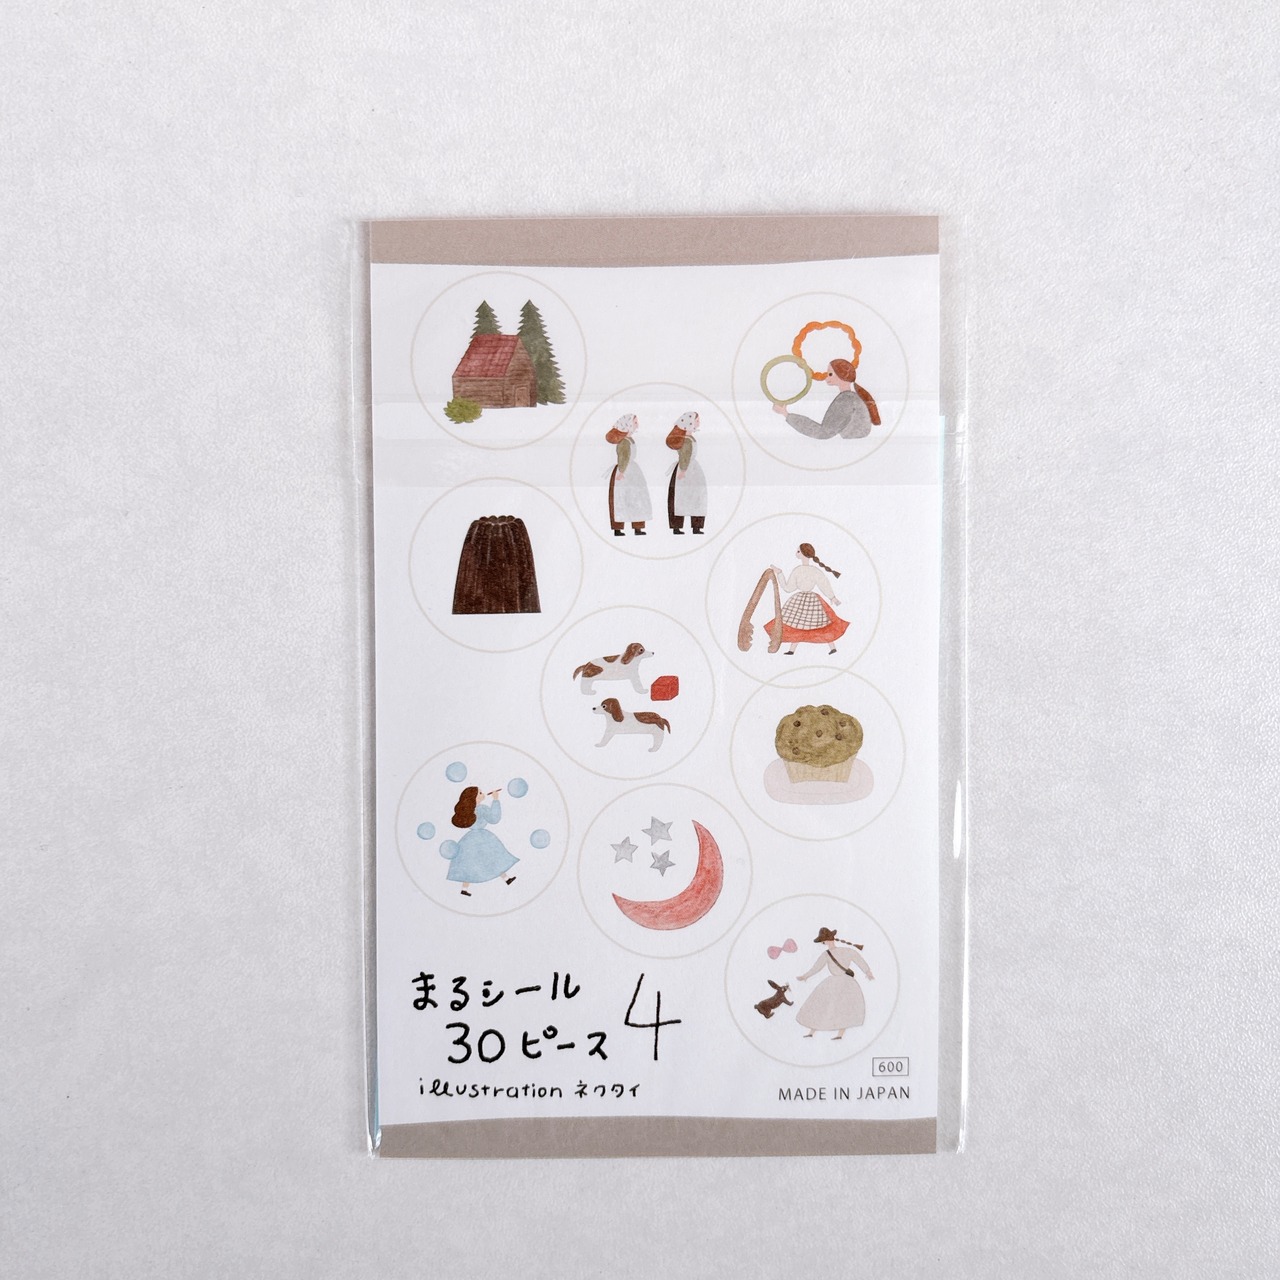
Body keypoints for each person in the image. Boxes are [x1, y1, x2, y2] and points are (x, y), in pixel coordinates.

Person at [766, 543, 849, 655]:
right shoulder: (804, 570)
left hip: (808, 601)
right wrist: (779, 573)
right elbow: (790, 588)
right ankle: (792, 650)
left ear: (804, 554)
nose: (796, 553)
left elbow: (823, 584)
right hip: (805, 600)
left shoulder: (803, 570)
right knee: (799, 624)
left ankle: (832, 647)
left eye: (798, 551)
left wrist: (832, 597)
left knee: (805, 624)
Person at [795, 927, 873, 1040]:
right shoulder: (844, 951)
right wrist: (867, 971)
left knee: (831, 1005)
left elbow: (816, 968)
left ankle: (828, 1033)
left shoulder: (828, 954)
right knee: (836, 1006)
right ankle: (818, 1032)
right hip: (844, 982)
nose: (823, 943)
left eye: (823, 941)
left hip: (839, 982)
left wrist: (805, 976)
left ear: (825, 940)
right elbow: (857, 958)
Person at [773, 358, 879, 440]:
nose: (826, 377)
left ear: (842, 375)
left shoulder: (846, 400)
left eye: (830, 374)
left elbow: (823, 433)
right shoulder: (850, 397)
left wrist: (786, 414)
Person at [441, 786, 518, 897]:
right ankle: (506, 879)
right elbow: (494, 818)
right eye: (480, 793)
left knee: (468, 863)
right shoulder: (481, 809)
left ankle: (465, 889)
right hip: (483, 838)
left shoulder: (468, 811)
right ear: (474, 798)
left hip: (469, 840)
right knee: (493, 857)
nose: (483, 794)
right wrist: (496, 800)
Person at [605, 413, 651, 536]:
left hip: (632, 471)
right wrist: (621, 472)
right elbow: (623, 457)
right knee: (621, 498)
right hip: (624, 472)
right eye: (635, 423)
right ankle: (619, 528)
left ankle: (637, 527)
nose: (637, 425)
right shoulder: (624, 442)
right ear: (627, 425)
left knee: (636, 498)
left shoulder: (630, 440)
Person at [665, 411, 707, 535]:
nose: (698, 423)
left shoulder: (690, 438)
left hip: (692, 469)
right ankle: (685, 527)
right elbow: (685, 456)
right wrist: (683, 470)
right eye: (696, 421)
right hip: (686, 470)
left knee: (694, 497)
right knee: (681, 497)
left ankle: (689, 526)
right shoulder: (687, 440)